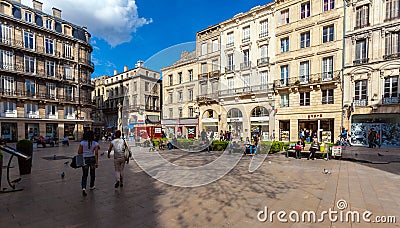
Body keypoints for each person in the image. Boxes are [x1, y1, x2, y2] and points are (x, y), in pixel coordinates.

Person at [78, 130, 99, 196]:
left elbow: (79, 152)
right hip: (92, 159)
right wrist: (97, 162)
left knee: (85, 174)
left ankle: (84, 188)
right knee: (92, 173)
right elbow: (96, 154)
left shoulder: (82, 143)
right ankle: (91, 186)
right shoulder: (95, 143)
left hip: (84, 159)